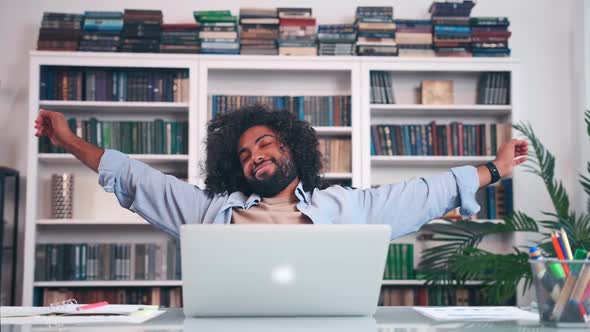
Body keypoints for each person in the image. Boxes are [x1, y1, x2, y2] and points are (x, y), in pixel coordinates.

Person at [34, 105, 528, 238]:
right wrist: (67, 140)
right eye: (245, 155)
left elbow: (423, 192)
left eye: (264, 144)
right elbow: (138, 180)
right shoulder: (211, 211)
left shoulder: (345, 206)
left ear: (291, 148)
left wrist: (495, 169)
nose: (255, 157)